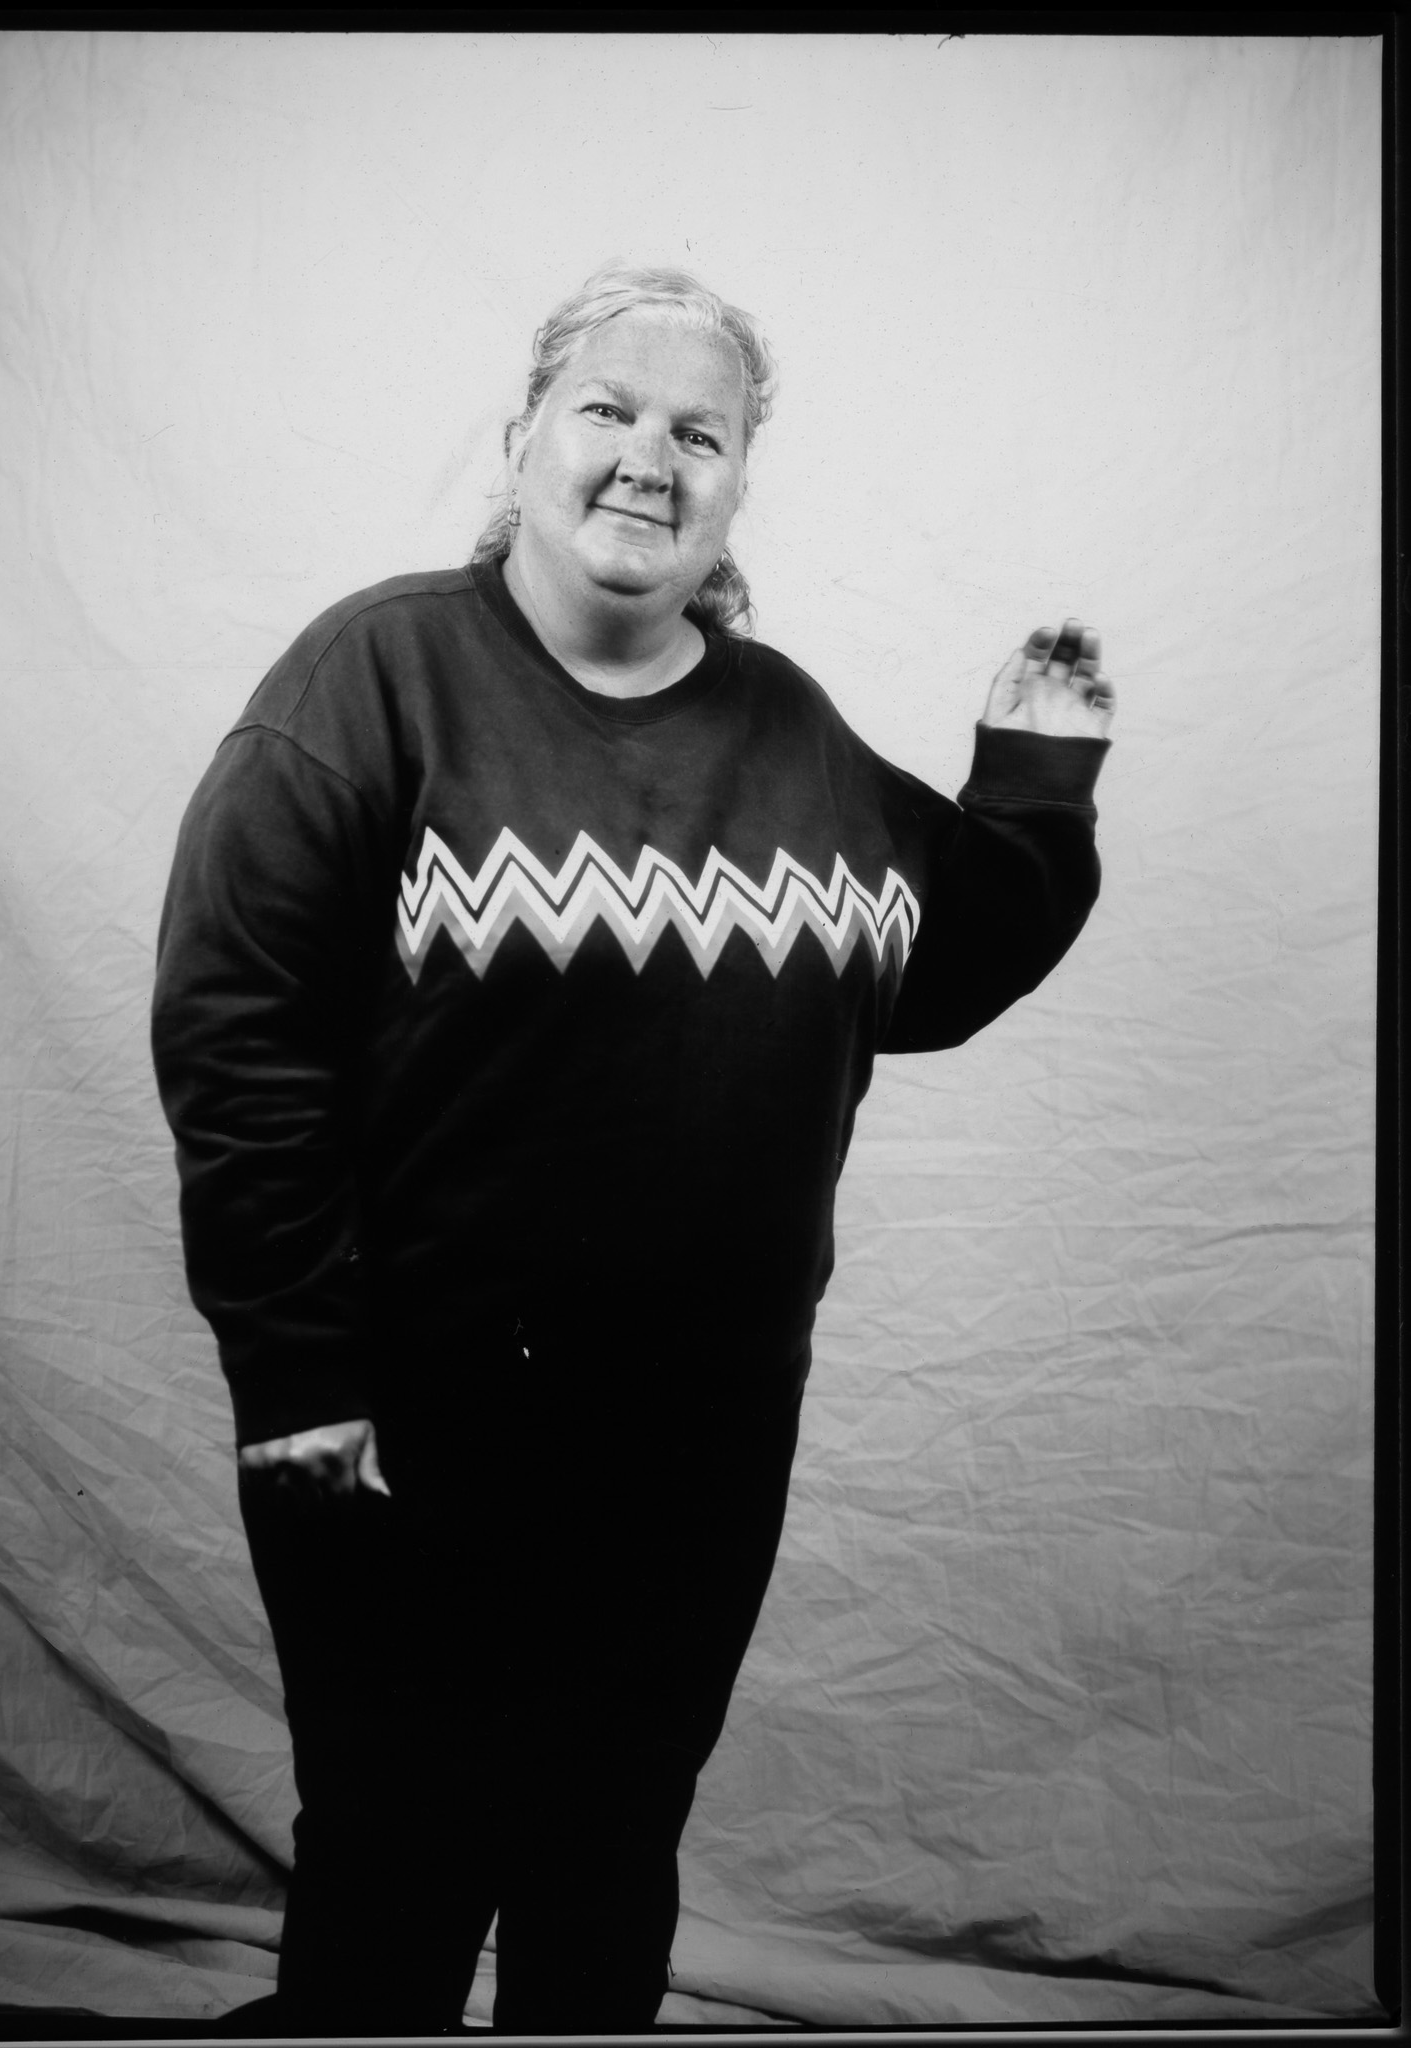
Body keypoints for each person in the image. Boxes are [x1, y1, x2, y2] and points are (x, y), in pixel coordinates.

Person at [151, 262, 1114, 2035]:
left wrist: (1036, 782)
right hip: (396, 1421)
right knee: (399, 1858)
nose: (647, 459)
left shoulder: (791, 732)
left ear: (739, 482)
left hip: (699, 1429)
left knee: (607, 1852)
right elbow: (237, 1037)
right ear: (523, 438)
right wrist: (297, 1368)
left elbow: (943, 961)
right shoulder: (376, 677)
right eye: (608, 409)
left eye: (701, 432)